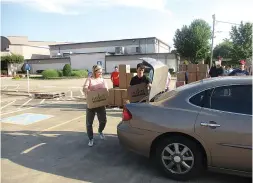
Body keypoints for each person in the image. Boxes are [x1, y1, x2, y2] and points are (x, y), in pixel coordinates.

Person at [83, 65, 108, 147]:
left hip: (100, 104)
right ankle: (91, 139)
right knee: (89, 123)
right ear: (95, 71)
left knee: (103, 120)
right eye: (99, 71)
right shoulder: (89, 79)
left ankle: (100, 131)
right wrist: (87, 90)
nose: (101, 73)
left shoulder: (102, 80)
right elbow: (84, 88)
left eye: (101, 71)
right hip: (91, 104)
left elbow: (106, 90)